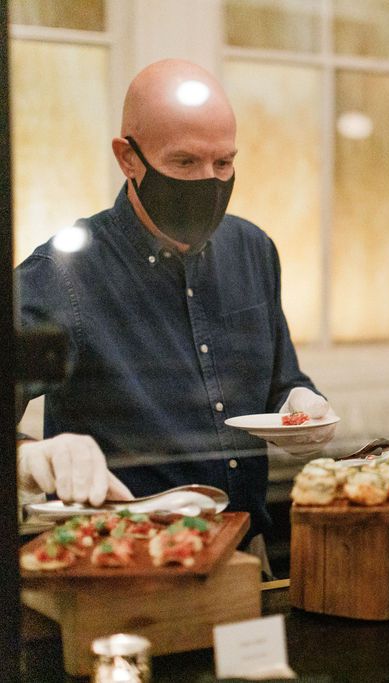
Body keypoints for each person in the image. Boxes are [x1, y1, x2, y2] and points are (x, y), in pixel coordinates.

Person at [15, 59, 334, 545]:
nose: (209, 181)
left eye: (223, 163)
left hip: (246, 548)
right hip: (122, 558)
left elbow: (280, 382)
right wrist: (26, 456)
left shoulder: (254, 250)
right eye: (184, 163)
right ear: (128, 158)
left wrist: (299, 403)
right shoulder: (64, 272)